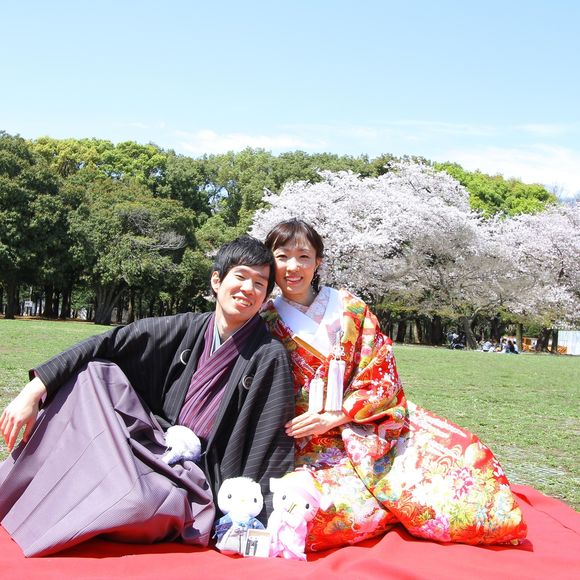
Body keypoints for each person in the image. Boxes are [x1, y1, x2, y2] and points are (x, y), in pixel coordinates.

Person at [0, 235, 295, 557]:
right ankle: (30, 485)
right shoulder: (186, 328)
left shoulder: (269, 355)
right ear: (216, 280)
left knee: (137, 503)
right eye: (240, 276)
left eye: (259, 283)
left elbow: (271, 438)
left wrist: (260, 517)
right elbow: (109, 342)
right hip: (156, 444)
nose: (248, 289)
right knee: (94, 373)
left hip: (197, 476)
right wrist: (33, 391)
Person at [261, 219, 527, 552]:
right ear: (270, 261)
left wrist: (340, 415)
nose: (293, 267)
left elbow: (380, 369)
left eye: (304, 256)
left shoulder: (350, 307)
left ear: (319, 262)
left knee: (463, 464)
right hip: (308, 441)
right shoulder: (265, 319)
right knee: (308, 517)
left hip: (367, 425)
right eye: (282, 257)